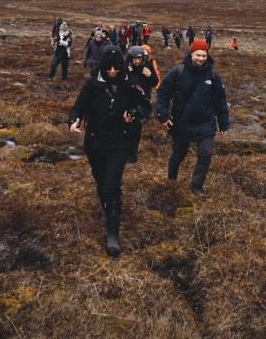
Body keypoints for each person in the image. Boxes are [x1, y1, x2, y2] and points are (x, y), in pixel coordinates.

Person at [69, 46, 151, 257]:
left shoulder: (130, 84)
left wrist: (132, 114)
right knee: (101, 179)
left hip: (120, 141)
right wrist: (74, 120)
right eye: (109, 68)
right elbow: (78, 107)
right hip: (95, 141)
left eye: (116, 67)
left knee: (112, 185)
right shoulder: (91, 84)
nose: (113, 71)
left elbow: (145, 106)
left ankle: (112, 235)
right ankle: (105, 206)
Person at [156, 39, 229, 198]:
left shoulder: (213, 75)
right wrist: (162, 116)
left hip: (206, 124)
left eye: (204, 55)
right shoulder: (178, 72)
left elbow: (220, 100)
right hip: (182, 122)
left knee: (205, 154)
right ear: (191, 54)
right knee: (178, 155)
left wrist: (223, 123)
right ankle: (171, 180)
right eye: (198, 55)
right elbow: (163, 94)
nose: (201, 58)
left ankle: (197, 187)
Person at [125, 45, 159, 163]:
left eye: (139, 59)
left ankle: (132, 157)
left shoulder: (147, 67)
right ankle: (125, 154)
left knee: (136, 131)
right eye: (134, 59)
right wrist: (128, 74)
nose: (137, 61)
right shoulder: (126, 68)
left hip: (142, 104)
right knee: (127, 130)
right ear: (131, 58)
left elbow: (155, 83)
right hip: (128, 103)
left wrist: (150, 75)